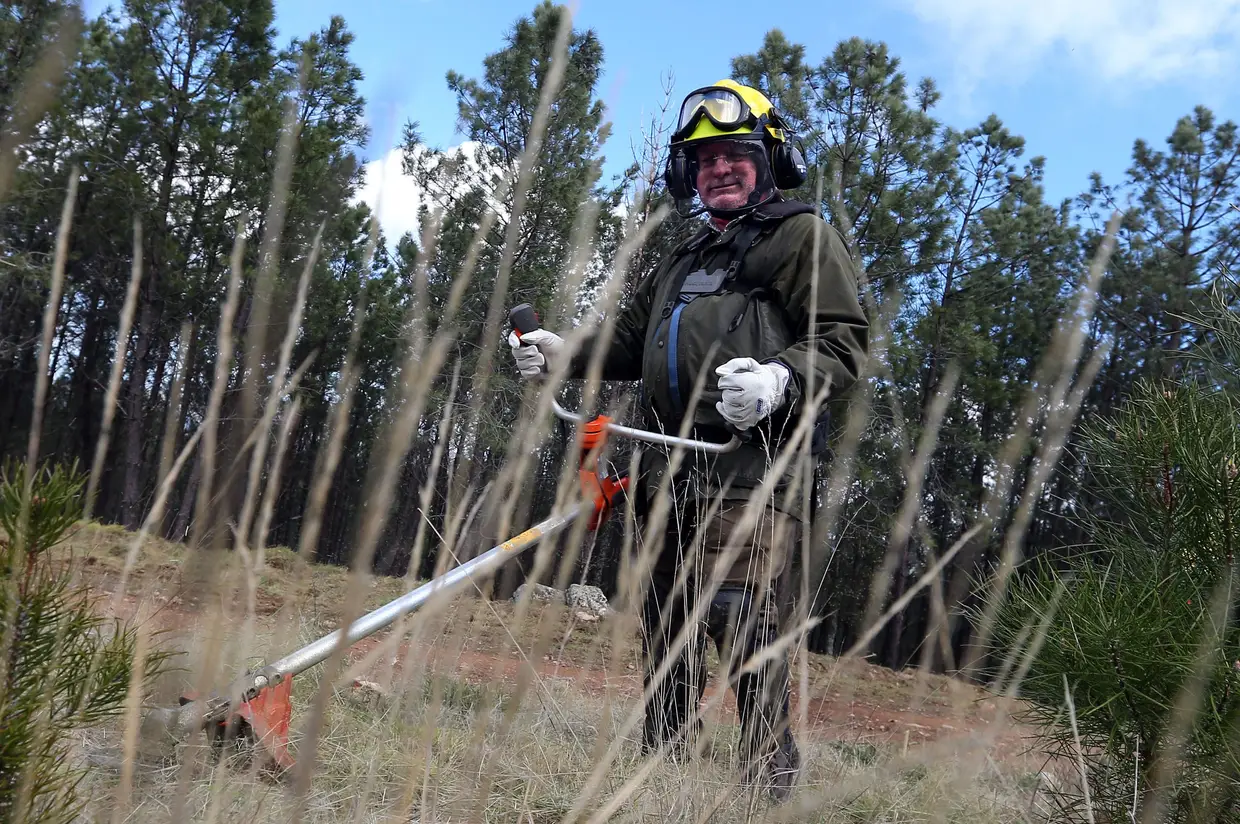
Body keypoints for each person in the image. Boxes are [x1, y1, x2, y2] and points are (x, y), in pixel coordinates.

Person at [507, 78, 870, 802]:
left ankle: (767, 775)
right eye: (705, 160)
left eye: (735, 154)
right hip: (667, 470)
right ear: (688, 173)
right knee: (667, 615)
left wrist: (780, 378)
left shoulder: (802, 237)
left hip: (754, 468)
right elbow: (630, 342)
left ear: (770, 160)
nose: (719, 169)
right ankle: (664, 762)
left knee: (740, 615)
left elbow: (843, 343)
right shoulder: (684, 257)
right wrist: (563, 353)